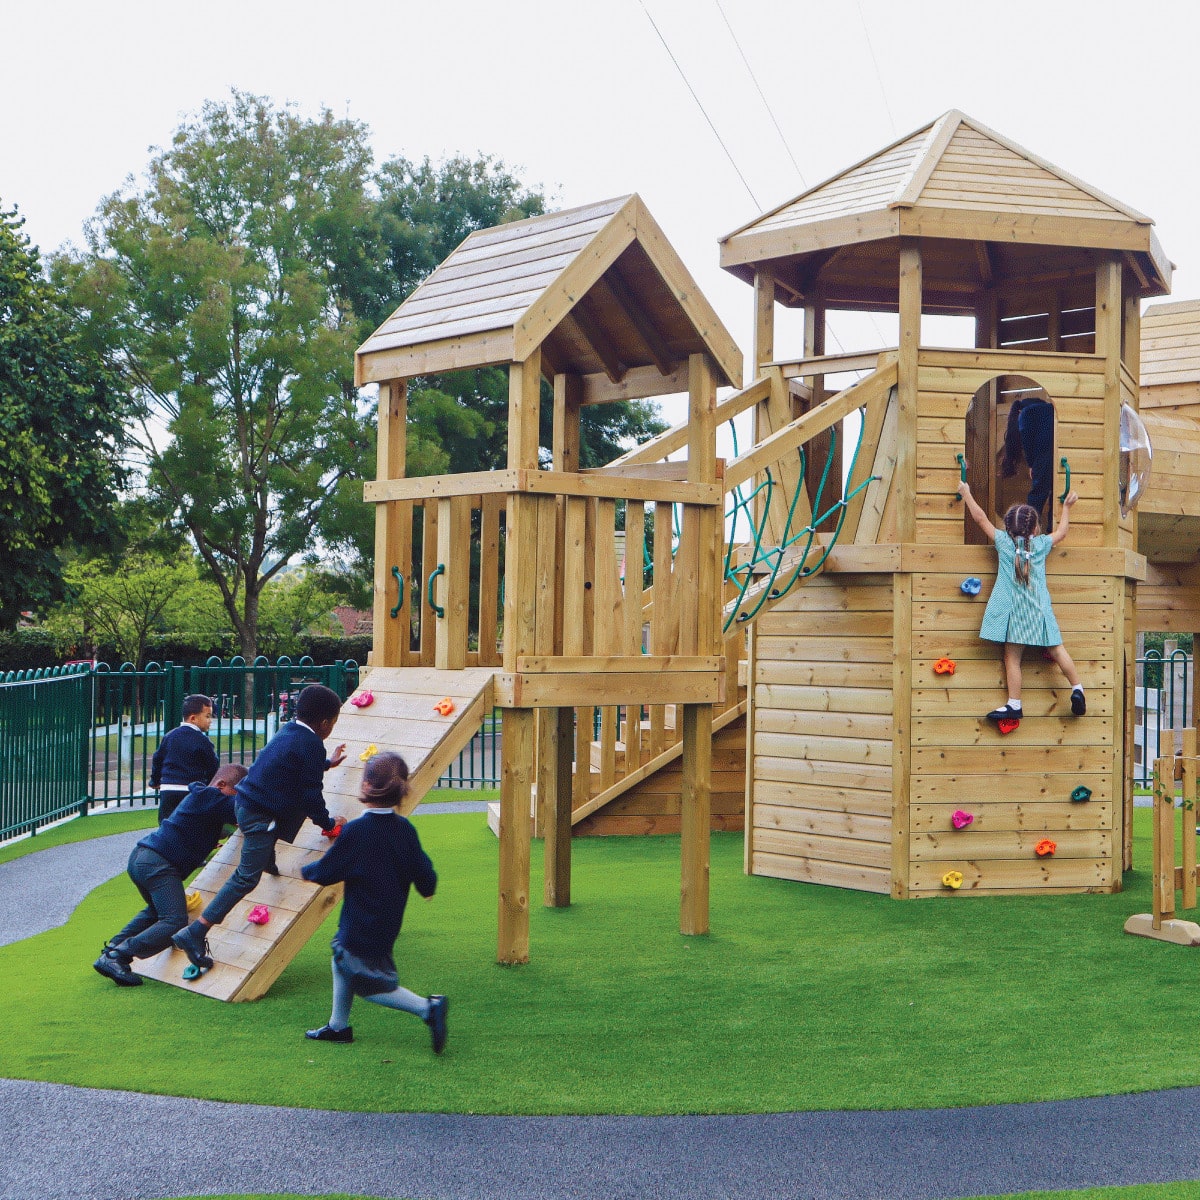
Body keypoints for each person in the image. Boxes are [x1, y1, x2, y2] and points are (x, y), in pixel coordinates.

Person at [170, 684, 347, 971]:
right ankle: (196, 931)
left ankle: (268, 860)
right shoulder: (312, 742)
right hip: (260, 815)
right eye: (333, 723)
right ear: (325, 723)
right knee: (245, 879)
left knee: (278, 821)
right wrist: (328, 824)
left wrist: (326, 763)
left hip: (246, 802)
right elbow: (311, 795)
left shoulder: (290, 730)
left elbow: (290, 764)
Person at [301, 751, 448, 1054]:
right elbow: (423, 870)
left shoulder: (357, 831)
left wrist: (306, 871)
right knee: (341, 959)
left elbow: (329, 870)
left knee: (370, 985)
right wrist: (427, 887)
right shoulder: (405, 830)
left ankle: (427, 1008)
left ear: (366, 785)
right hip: (388, 920)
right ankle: (338, 1027)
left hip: (361, 921)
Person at [93, 763, 248, 987]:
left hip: (143, 858)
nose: (235, 798)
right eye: (236, 791)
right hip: (158, 863)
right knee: (175, 920)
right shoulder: (210, 796)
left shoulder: (203, 799)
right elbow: (243, 807)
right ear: (221, 784)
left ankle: (111, 950)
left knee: (157, 912)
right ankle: (118, 956)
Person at [957, 480, 1086, 723]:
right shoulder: (1041, 545)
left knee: (1012, 658)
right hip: (1039, 612)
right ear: (1036, 528)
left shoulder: (1004, 543)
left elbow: (980, 518)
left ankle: (1014, 704)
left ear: (1008, 528)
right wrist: (1067, 508)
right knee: (1058, 650)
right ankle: (1077, 688)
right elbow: (1062, 532)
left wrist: (967, 493)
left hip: (1015, 615)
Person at [151, 694, 220, 823]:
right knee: (191, 825)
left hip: (168, 789)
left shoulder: (170, 736)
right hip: (191, 790)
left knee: (167, 825)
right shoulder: (202, 741)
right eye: (208, 716)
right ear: (193, 718)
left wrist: (155, 781)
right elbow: (212, 765)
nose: (210, 720)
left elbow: (158, 759)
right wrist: (210, 785)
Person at [1000, 396, 1055, 529]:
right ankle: (1051, 531)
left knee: (1037, 495)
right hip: (1054, 452)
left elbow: (1026, 440)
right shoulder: (1049, 410)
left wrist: (1031, 463)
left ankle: (1027, 532)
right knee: (1055, 493)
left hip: (1044, 455)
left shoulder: (1025, 413)